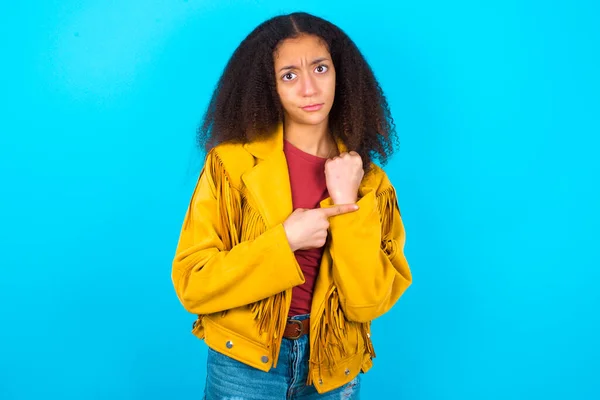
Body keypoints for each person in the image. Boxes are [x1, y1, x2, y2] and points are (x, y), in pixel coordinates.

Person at [171, 11, 412, 399]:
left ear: (341, 74)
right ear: (269, 87)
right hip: (244, 365)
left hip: (333, 365)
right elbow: (193, 283)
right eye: (289, 75)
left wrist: (348, 204)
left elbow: (369, 302)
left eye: (320, 68)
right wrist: (284, 240)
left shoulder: (370, 183)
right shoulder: (231, 165)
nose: (309, 89)